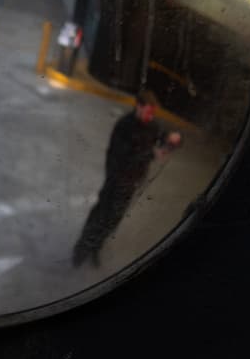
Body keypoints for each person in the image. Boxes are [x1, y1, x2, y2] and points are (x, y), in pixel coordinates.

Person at [73, 90, 182, 268]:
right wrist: (151, 153)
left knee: (113, 219)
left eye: (152, 112)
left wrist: (174, 139)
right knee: (100, 215)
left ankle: (96, 247)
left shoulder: (152, 126)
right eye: (147, 111)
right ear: (138, 107)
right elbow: (123, 156)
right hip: (116, 180)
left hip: (132, 182)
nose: (150, 115)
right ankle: (81, 249)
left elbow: (166, 137)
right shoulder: (124, 126)